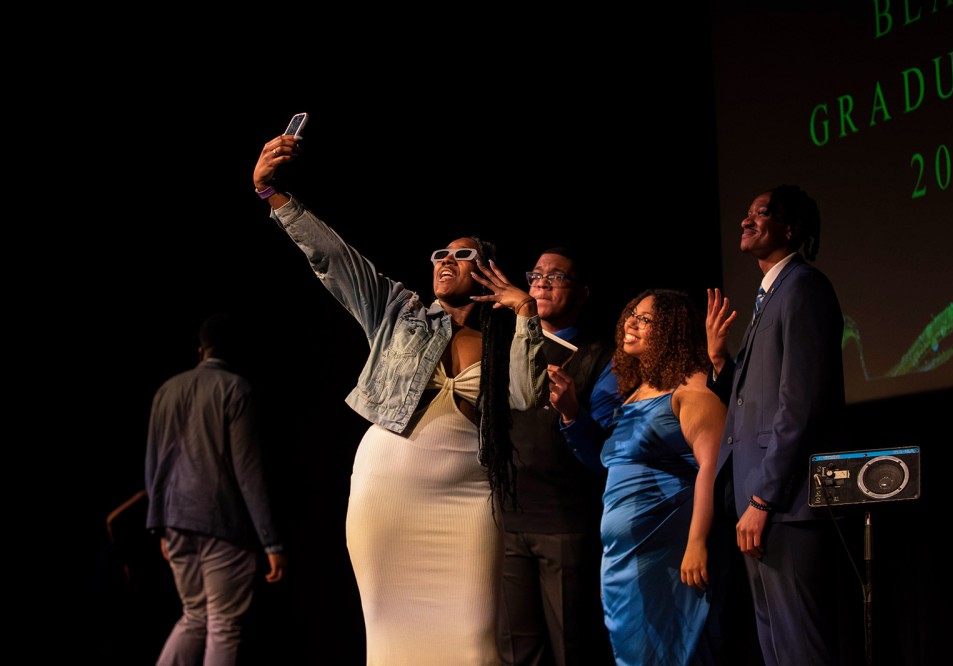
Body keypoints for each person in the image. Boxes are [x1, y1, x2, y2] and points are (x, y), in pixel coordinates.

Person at [252, 132, 546, 666]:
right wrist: (272, 193)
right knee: (391, 647)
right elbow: (333, 258)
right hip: (387, 494)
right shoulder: (397, 310)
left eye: (463, 255)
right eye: (440, 253)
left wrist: (525, 311)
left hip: (469, 500)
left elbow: (525, 397)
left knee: (475, 646)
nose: (445, 260)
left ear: (487, 270)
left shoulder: (509, 339)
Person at [705, 184, 845, 666]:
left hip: (783, 503)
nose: (745, 221)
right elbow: (752, 402)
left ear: (792, 228)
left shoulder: (803, 288)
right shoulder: (771, 295)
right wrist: (721, 361)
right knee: (775, 646)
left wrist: (765, 498)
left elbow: (799, 406)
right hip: (759, 501)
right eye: (745, 213)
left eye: (760, 213)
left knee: (800, 645)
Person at [551, 288, 728, 665]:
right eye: (631, 313)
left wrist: (696, 543)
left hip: (667, 554)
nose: (630, 322)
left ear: (671, 330)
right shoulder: (632, 394)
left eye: (645, 319)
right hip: (623, 561)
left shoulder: (691, 392)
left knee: (672, 653)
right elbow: (613, 472)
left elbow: (713, 468)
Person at [145, 312, 288, 666]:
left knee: (194, 616)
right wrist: (270, 540)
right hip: (221, 525)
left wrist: (160, 523)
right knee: (222, 625)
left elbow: (153, 464)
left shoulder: (167, 390)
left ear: (201, 350)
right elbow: (248, 471)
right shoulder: (236, 389)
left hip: (176, 522)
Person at [498, 247, 616, 666]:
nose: (543, 282)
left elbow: (603, 457)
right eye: (536, 275)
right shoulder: (506, 346)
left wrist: (571, 413)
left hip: (565, 525)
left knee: (572, 648)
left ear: (583, 293)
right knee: (517, 650)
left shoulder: (601, 358)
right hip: (509, 520)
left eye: (557, 276)